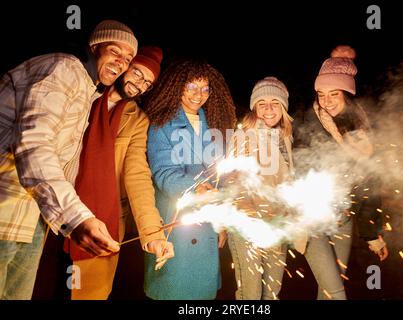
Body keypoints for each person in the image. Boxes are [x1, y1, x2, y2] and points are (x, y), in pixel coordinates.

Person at [0, 20, 138, 299]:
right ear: (94, 46)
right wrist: (75, 217)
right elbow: (34, 144)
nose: (121, 62)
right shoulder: (62, 69)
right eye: (114, 51)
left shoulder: (88, 89)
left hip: (30, 220)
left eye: (128, 59)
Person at [63, 46, 175, 300]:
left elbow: (137, 176)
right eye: (137, 73)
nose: (140, 84)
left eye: (147, 82)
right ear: (125, 66)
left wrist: (153, 233)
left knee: (89, 294)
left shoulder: (138, 120)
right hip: (55, 214)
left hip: (103, 222)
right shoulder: (83, 94)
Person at [295, 45, 388, 300]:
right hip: (314, 219)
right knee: (336, 294)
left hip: (343, 221)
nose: (326, 101)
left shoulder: (359, 125)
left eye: (333, 93)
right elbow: (299, 165)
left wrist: (372, 235)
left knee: (328, 292)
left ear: (347, 93)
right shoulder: (309, 121)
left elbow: (370, 180)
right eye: (321, 94)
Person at [143, 59, 236, 300]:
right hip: (177, 224)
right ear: (177, 86)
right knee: (175, 292)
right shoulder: (161, 124)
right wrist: (195, 190)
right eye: (191, 87)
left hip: (207, 226)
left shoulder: (215, 123)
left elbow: (221, 176)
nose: (199, 94)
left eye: (205, 88)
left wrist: (222, 222)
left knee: (201, 297)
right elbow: (163, 172)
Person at [226, 76, 294, 300]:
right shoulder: (244, 135)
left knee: (272, 292)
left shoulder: (285, 137)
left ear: (283, 106)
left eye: (275, 102)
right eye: (262, 103)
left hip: (277, 225)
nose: (268, 109)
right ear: (254, 107)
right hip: (248, 226)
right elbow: (233, 181)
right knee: (251, 293)